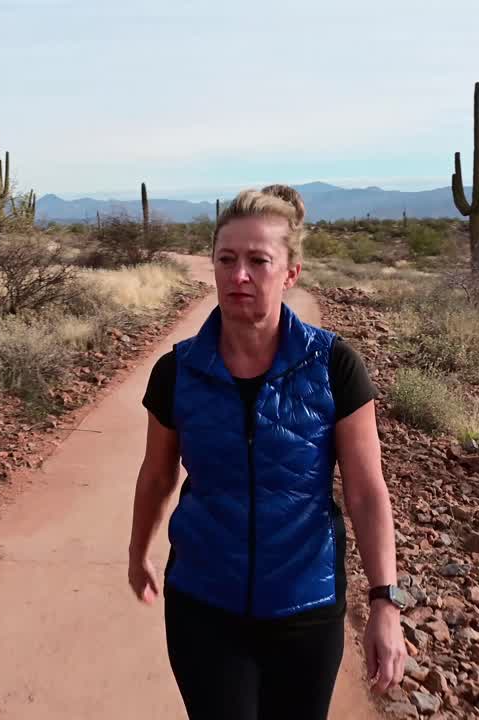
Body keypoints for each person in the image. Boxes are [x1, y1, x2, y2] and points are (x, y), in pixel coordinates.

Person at [126, 184, 407, 720]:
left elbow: (367, 491)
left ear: (290, 272)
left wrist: (383, 601)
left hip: (307, 605)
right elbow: (156, 475)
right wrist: (139, 550)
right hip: (204, 605)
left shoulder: (334, 366)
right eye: (227, 260)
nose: (239, 276)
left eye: (259, 261)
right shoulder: (177, 372)